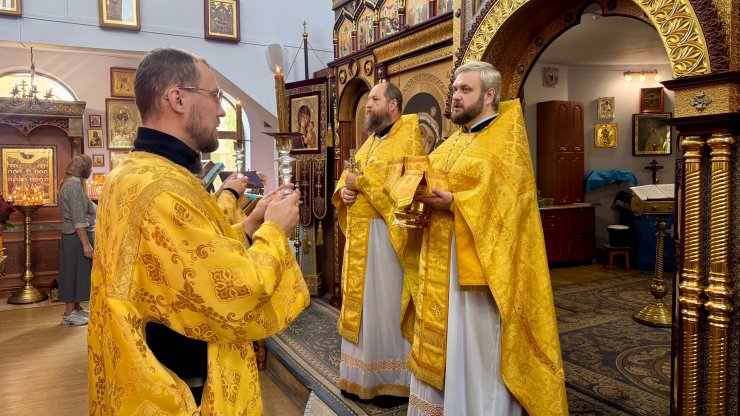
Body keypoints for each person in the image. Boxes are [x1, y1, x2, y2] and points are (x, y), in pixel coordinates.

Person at [87, 47, 309, 416]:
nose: (221, 111)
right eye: (214, 96)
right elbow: (234, 291)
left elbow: (187, 261)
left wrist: (249, 227)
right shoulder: (161, 187)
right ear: (177, 99)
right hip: (182, 384)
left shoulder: (136, 172)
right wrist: (275, 230)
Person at [401, 62, 568, 415]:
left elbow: (508, 210)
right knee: (448, 346)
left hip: (480, 276)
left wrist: (455, 203)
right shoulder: (452, 143)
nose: (455, 96)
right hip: (440, 269)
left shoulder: (505, 145)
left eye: (465, 90)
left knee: (477, 348)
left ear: (489, 95)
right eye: (455, 89)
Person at [333, 81, 426, 406]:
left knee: (384, 307)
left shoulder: (409, 137)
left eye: (374, 98)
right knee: (363, 309)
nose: (368, 104)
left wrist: (361, 182)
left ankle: (390, 382)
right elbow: (349, 175)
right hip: (361, 240)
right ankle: (359, 378)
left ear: (392, 105)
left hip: (387, 240)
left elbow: (407, 190)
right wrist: (345, 191)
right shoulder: (371, 141)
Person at [58, 154, 96, 326]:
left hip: (77, 235)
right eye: (90, 167)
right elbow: (78, 218)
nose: (91, 170)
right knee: (72, 273)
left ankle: (76, 308)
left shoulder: (72, 184)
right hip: (76, 237)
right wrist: (86, 244)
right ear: (83, 169)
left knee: (79, 273)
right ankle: (69, 313)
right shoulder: (73, 186)